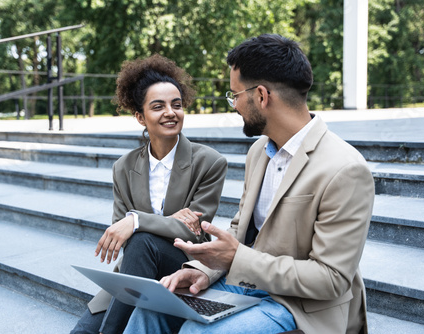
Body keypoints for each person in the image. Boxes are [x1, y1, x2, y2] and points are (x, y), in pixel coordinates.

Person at [122, 34, 375, 334]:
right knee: (150, 312)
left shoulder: (345, 168)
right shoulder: (259, 152)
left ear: (262, 96)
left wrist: (237, 259)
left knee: (196, 333)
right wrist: (201, 270)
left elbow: (330, 279)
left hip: (301, 306)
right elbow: (240, 234)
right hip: (246, 285)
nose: (234, 105)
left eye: (235, 95)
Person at [71, 54, 228, 334]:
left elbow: (193, 232)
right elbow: (121, 232)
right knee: (81, 332)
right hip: (134, 272)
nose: (170, 112)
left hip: (181, 263)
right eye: (158, 106)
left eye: (176, 105)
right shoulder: (124, 167)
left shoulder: (210, 162)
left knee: (142, 239)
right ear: (140, 117)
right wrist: (157, 221)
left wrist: (137, 220)